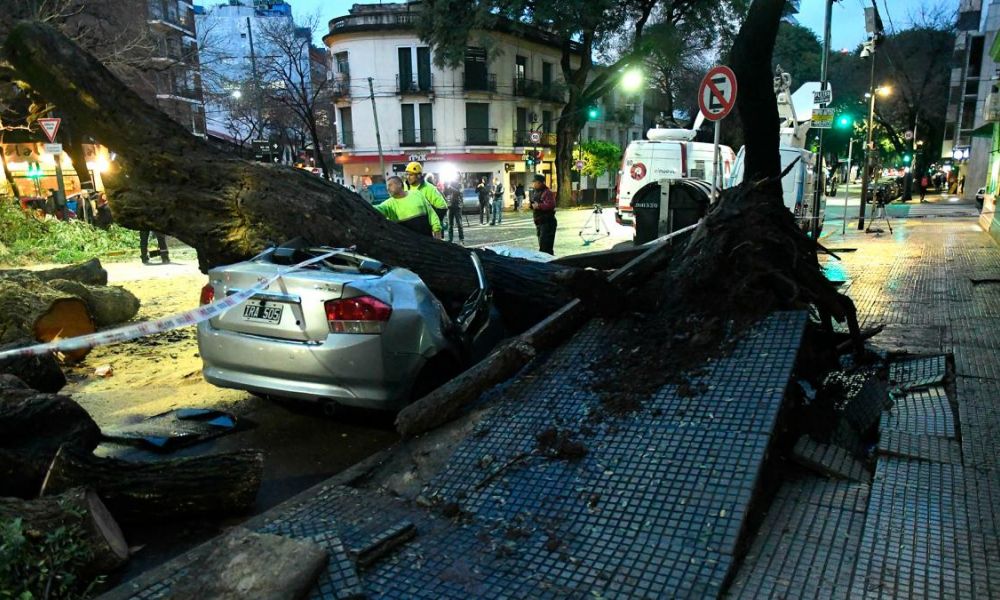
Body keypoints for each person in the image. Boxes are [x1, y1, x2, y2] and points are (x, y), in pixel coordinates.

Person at [375, 175, 442, 238]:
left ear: (400, 184)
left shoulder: (417, 194)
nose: (387, 188)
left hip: (427, 240)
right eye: (387, 186)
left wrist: (437, 229)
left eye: (390, 185)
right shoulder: (388, 204)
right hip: (407, 246)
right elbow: (377, 209)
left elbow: (431, 213)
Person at [404, 162, 448, 226]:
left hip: (423, 230)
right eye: (406, 174)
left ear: (418, 175)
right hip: (408, 227)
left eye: (410, 175)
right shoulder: (403, 186)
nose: (408, 177)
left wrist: (430, 224)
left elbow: (442, 207)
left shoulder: (429, 188)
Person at [529, 174, 557, 254]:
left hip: (547, 222)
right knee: (542, 246)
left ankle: (550, 264)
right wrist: (532, 205)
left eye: (535, 182)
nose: (533, 184)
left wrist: (539, 206)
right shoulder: (536, 191)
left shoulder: (547, 192)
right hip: (540, 222)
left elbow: (551, 205)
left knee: (545, 248)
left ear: (540, 183)